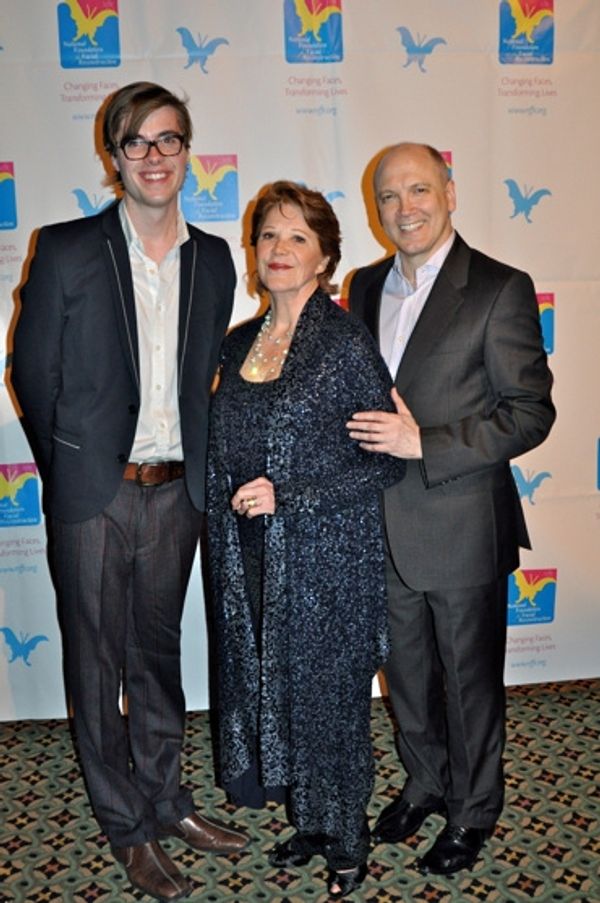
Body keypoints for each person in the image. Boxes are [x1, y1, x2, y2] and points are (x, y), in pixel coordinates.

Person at [11, 82, 247, 902]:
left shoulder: (214, 258)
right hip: (94, 493)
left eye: (170, 140)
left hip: (178, 492)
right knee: (94, 658)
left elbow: (211, 377)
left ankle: (167, 798)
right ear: (114, 157)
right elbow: (31, 373)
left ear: (189, 152)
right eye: (138, 142)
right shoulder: (70, 247)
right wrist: (72, 465)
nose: (155, 156)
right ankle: (126, 822)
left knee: (156, 655)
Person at [346, 143, 555, 876]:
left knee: (468, 685)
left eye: (419, 190)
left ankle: (472, 810)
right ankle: (426, 784)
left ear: (450, 191)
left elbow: (530, 413)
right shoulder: (364, 286)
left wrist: (423, 441)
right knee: (404, 676)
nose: (406, 208)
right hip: (383, 524)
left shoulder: (499, 287)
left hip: (462, 522)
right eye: (390, 197)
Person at [206, 181, 405, 898]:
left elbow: (382, 462)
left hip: (328, 557)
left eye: (297, 237)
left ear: (325, 255)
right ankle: (312, 819)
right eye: (268, 236)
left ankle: (347, 839)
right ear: (252, 251)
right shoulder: (235, 343)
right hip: (256, 556)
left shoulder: (344, 343)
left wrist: (289, 496)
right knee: (280, 691)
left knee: (330, 700)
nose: (280, 249)